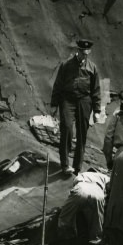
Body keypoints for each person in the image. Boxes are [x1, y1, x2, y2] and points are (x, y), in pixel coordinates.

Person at [50, 38, 103, 175]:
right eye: (82, 53)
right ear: (77, 51)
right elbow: (58, 85)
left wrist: (97, 110)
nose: (84, 56)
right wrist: (54, 104)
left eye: (87, 53)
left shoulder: (92, 68)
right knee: (67, 128)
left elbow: (96, 89)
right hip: (68, 100)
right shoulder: (66, 65)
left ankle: (77, 167)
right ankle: (65, 165)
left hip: (84, 101)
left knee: (82, 133)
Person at [56, 167, 109, 244]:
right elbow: (110, 187)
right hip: (98, 192)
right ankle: (96, 241)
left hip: (81, 188)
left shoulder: (82, 174)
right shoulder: (104, 177)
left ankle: (63, 240)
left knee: (65, 217)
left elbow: (74, 189)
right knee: (97, 220)